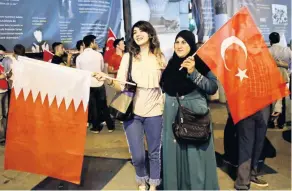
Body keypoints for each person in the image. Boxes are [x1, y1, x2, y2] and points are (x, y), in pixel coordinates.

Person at [94, 21, 165, 191]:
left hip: (155, 112)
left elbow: (166, 83)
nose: (138, 34)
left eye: (141, 31)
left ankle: (153, 184)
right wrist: (107, 79)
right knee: (138, 155)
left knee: (155, 152)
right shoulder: (128, 57)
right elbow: (120, 84)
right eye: (134, 32)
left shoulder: (160, 57)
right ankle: (142, 180)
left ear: (150, 34)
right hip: (132, 112)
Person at [160, 30, 219, 190]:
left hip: (194, 115)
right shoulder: (171, 64)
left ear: (191, 45)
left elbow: (212, 87)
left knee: (195, 155)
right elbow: (165, 85)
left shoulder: (202, 62)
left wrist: (193, 72)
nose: (179, 46)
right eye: (177, 42)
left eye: (184, 42)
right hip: (172, 113)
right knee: (174, 155)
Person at [77, 35, 115, 134]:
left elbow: (79, 72)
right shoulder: (98, 55)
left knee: (93, 107)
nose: (96, 44)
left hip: (88, 85)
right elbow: (102, 68)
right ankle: (110, 126)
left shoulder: (80, 57)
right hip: (99, 83)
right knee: (103, 106)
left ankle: (96, 128)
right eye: (95, 42)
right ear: (91, 43)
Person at [268, 32, 291, 128]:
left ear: (270, 40)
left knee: (272, 100)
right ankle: (282, 122)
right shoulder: (286, 50)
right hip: (284, 77)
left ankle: (272, 121)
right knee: (283, 99)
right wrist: (284, 65)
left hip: (271, 78)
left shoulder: (268, 51)